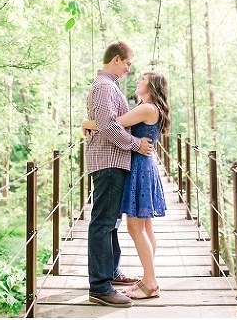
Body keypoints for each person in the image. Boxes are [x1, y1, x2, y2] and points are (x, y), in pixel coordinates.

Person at [84, 71, 170, 300]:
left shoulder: (147, 108)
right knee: (146, 228)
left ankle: (151, 283)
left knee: (135, 228)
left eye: (143, 79)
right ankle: (148, 278)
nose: (138, 80)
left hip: (140, 168)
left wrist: (86, 123)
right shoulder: (150, 108)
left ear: (151, 86)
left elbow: (111, 125)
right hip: (145, 166)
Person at [86, 41, 154, 308]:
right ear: (116, 59)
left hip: (114, 160)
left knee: (110, 222)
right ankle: (99, 286)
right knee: (103, 222)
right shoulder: (104, 86)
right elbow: (106, 125)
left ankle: (110, 273)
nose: (128, 69)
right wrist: (137, 144)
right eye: (127, 63)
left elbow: (103, 124)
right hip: (109, 161)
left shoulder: (108, 86)